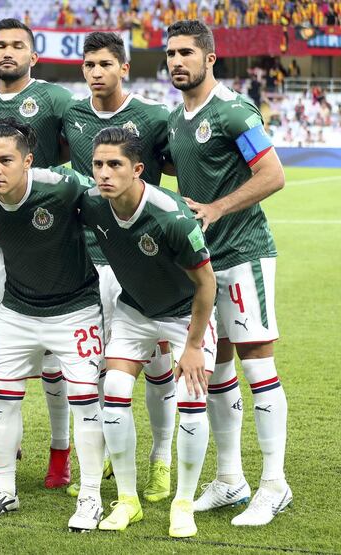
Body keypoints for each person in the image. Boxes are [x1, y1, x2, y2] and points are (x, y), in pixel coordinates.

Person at [166, 20, 290, 526]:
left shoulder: (234, 110)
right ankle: (230, 478)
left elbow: (273, 174)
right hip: (204, 266)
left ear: (210, 58)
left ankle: (274, 484)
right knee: (214, 371)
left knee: (258, 364)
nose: (176, 61)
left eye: (186, 53)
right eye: (171, 54)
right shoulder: (177, 119)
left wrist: (216, 208)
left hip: (244, 254)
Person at [0, 119, 104, 531]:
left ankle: (90, 495)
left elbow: (112, 198)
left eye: (5, 160)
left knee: (85, 401)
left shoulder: (63, 186)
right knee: (1, 397)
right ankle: (4, 489)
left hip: (75, 309)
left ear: (27, 161)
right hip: (16, 311)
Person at [80, 126, 216, 537]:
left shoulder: (169, 216)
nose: (104, 173)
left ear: (138, 169)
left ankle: (184, 503)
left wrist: (192, 345)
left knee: (193, 396)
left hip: (184, 315)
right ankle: (127, 500)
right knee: (115, 391)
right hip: (135, 309)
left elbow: (206, 284)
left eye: (115, 165)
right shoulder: (93, 203)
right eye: (98, 164)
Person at [63, 31, 176, 501]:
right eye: (88, 65)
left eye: (105, 64)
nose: (95, 73)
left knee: (157, 363)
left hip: (142, 259)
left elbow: (172, 174)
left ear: (123, 68)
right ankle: (109, 451)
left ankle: (161, 459)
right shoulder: (71, 115)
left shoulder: (151, 117)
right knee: (102, 366)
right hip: (88, 258)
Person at [0, 18, 75, 488]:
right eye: (0, 46)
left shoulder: (56, 100)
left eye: (17, 46)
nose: (7, 52)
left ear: (34, 56)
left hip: (48, 246)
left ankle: (59, 453)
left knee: (54, 356)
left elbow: (82, 150)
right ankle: (2, 450)